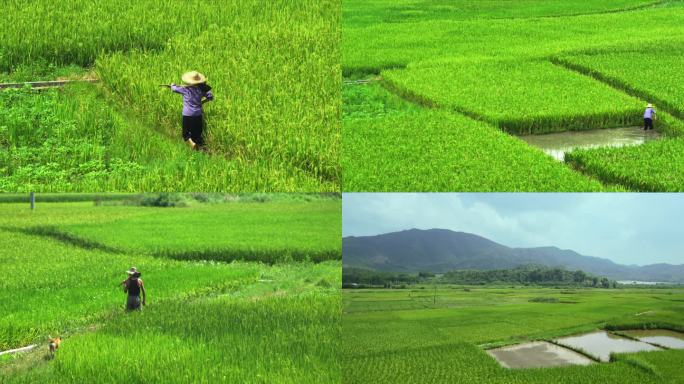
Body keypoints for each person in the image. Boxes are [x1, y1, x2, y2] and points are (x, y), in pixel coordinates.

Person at [164, 71, 214, 150]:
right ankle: (200, 148)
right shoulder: (201, 90)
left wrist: (172, 84)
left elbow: (174, 89)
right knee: (197, 134)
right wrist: (202, 102)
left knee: (185, 134)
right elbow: (210, 97)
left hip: (187, 115)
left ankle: (192, 144)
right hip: (198, 114)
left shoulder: (185, 89)